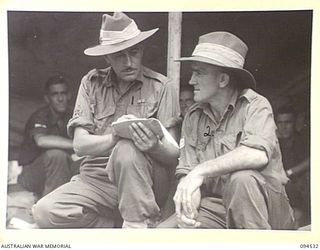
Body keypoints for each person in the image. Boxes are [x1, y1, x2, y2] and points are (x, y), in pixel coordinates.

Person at [32, 12, 180, 228]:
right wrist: (114, 136)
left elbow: (174, 154)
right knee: (45, 212)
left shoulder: (162, 87)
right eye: (119, 55)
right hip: (97, 179)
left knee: (127, 148)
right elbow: (80, 145)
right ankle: (112, 223)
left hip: (143, 181)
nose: (129, 62)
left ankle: (137, 225)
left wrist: (155, 146)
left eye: (134, 52)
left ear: (142, 51)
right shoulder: (91, 83)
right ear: (106, 57)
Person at [159, 31, 294, 229]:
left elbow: (257, 154)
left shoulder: (255, 105)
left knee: (241, 180)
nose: (191, 81)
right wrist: (188, 204)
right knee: (161, 235)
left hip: (264, 208)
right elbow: (187, 172)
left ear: (223, 80)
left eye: (199, 72)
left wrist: (200, 171)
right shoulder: (194, 116)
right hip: (216, 207)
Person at [17, 75, 78, 198]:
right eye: (55, 94)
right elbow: (41, 140)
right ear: (47, 98)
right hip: (32, 175)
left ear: (69, 95)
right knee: (56, 155)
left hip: (62, 170)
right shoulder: (40, 116)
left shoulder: (74, 116)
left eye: (64, 93)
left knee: (89, 162)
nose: (60, 98)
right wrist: (78, 144)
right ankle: (51, 209)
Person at [275, 104, 310, 228]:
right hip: (280, 185)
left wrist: (290, 172)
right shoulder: (273, 142)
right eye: (280, 122)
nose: (283, 127)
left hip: (301, 183)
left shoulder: (303, 139)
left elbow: (313, 159)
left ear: (294, 123)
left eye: (287, 122)